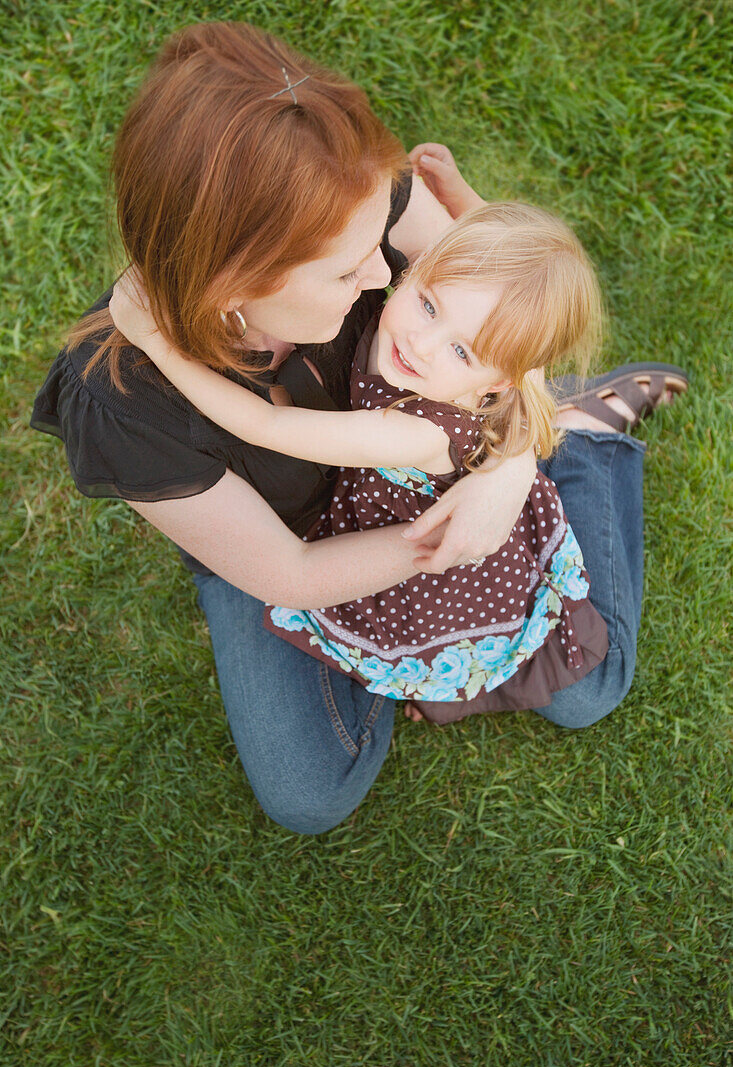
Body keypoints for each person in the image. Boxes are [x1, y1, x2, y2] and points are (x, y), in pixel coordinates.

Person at [31, 22, 686, 834]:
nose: (385, 275)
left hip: (440, 469)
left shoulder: (348, 197)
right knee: (311, 795)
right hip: (279, 542)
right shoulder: (121, 401)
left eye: (377, 241)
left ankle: (578, 434)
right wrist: (440, 568)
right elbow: (291, 574)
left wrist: (506, 466)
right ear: (235, 281)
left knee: (586, 690)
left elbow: (507, 313)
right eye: (348, 272)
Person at [108, 201, 614, 724]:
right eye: (429, 306)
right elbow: (491, 265)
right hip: (417, 504)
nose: (421, 342)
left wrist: (157, 345)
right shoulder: (418, 338)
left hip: (426, 559)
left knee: (443, 643)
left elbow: (267, 426)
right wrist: (457, 191)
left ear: (500, 383)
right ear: (416, 267)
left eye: (462, 352)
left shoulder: (417, 431)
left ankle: (595, 442)